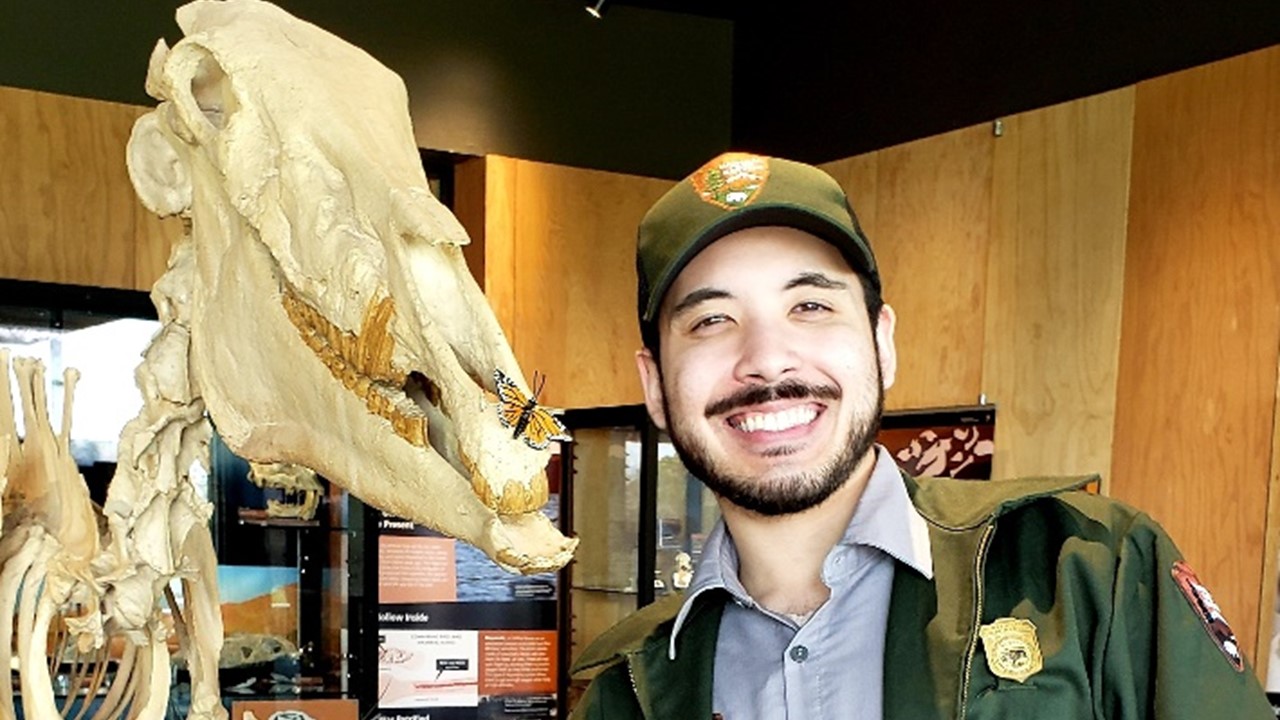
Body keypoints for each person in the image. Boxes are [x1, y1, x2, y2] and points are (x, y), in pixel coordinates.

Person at [567, 152, 1274, 719]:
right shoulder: (625, 687)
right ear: (657, 385)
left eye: (810, 305)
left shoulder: (1089, 573)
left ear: (882, 343)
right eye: (711, 321)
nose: (767, 359)